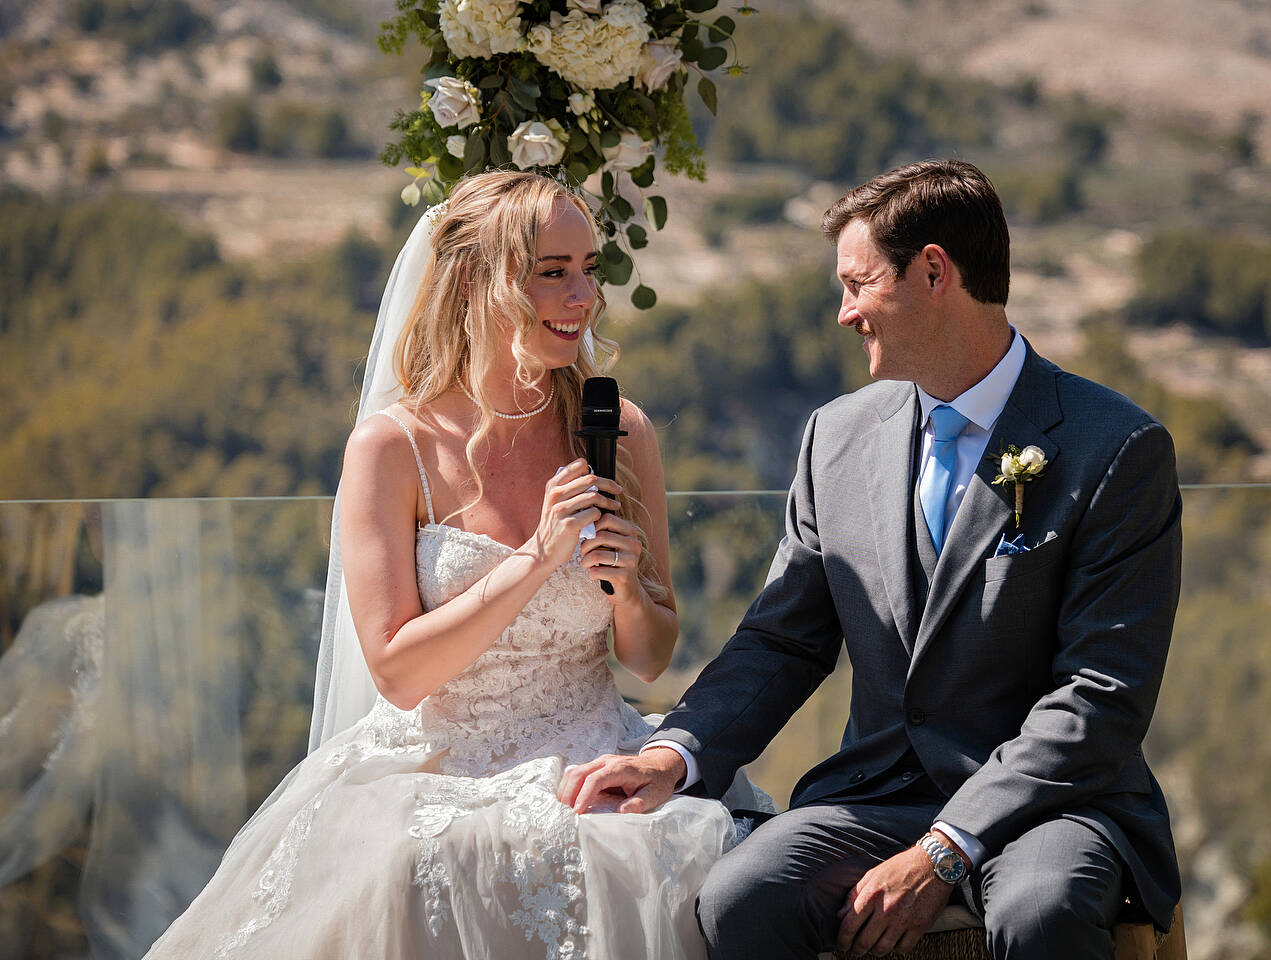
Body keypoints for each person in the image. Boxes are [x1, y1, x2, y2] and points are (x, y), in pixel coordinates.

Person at [561, 159, 1183, 960]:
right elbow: (783, 640)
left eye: (858, 285)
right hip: (879, 794)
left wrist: (942, 850)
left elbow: (1102, 695)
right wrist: (669, 755)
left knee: (1040, 910)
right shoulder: (838, 436)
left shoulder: (1116, 447)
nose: (845, 313)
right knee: (741, 897)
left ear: (933, 272)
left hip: (1055, 807)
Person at [145, 171, 767, 960]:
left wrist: (626, 585)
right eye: (553, 272)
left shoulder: (620, 428)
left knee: (658, 856)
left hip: (590, 752)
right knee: (418, 868)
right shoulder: (391, 447)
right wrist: (538, 559)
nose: (584, 296)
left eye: (589, 268)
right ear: (480, 283)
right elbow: (398, 674)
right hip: (435, 767)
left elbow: (649, 657)